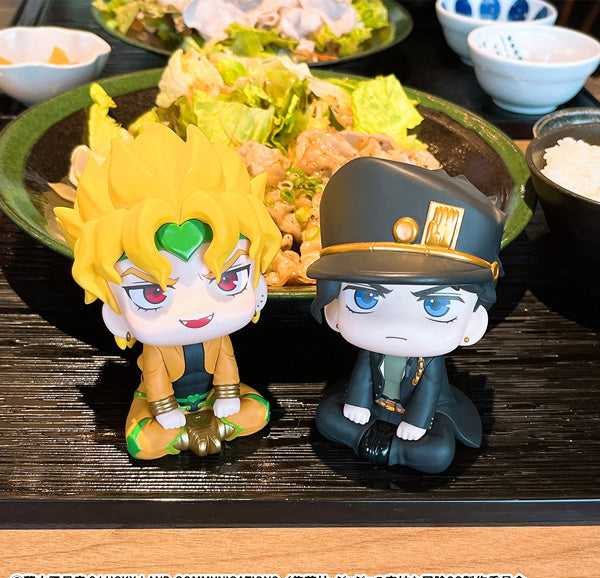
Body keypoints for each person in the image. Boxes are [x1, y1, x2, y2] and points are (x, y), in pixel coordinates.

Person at [55, 123, 281, 460]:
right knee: (143, 443)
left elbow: (227, 363)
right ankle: (201, 430)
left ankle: (197, 431)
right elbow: (155, 376)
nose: (195, 310)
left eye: (228, 280)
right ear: (113, 305)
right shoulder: (157, 348)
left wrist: (227, 395)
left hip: (213, 397)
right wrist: (164, 409)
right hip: (159, 403)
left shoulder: (218, 337)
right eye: (152, 294)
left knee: (259, 411)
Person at [307, 157, 505, 473]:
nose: (397, 326)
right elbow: (362, 374)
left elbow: (429, 388)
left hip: (423, 413)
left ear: (473, 322)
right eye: (366, 297)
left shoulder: (429, 359)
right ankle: (384, 446)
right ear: (334, 309)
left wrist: (417, 422)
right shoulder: (370, 348)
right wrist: (357, 401)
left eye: (436, 305)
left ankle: (387, 447)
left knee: (437, 452)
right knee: (327, 417)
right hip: (373, 403)